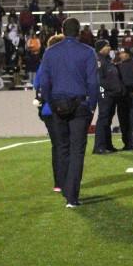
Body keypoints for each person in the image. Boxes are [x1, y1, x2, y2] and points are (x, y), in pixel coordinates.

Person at [38, 18, 99, 207]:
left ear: (63, 31)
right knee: (76, 150)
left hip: (57, 104)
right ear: (79, 32)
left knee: (62, 147)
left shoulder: (50, 52)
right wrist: (92, 105)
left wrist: (50, 101)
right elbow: (93, 82)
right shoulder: (88, 52)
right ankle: (72, 196)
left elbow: (44, 82)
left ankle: (65, 188)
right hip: (80, 105)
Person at [32, 34, 66, 192]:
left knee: (57, 145)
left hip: (47, 109)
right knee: (64, 145)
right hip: (61, 107)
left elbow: (36, 84)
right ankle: (65, 180)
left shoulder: (44, 64)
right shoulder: (63, 63)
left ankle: (59, 181)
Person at [93, 40, 123, 154]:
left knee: (107, 120)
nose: (109, 48)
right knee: (103, 119)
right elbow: (99, 81)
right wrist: (104, 93)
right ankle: (99, 146)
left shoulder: (107, 60)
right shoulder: (99, 60)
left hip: (111, 94)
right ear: (101, 48)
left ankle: (108, 145)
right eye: (107, 46)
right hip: (105, 93)